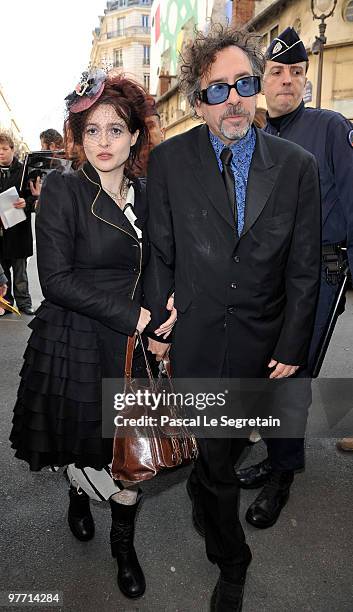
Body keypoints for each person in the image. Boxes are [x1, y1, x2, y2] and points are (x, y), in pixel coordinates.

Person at [144, 25, 321, 611]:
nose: (235, 99)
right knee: (219, 459)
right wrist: (156, 327)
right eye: (218, 90)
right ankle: (233, 560)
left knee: (225, 447)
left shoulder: (297, 166)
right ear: (198, 101)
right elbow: (160, 252)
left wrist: (294, 345)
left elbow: (303, 268)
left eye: (244, 83)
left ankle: (207, 490)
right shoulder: (169, 162)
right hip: (193, 337)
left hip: (262, 344)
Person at [9, 70, 170, 600]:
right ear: (77, 137)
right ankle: (79, 492)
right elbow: (55, 281)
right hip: (77, 338)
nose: (104, 142)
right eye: (93, 130)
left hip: (136, 345)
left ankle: (123, 548)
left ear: (135, 136)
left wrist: (167, 306)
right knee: (84, 443)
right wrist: (136, 318)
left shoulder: (149, 194)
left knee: (130, 455)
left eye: (116, 129)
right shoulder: (62, 190)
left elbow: (163, 261)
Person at [235, 27, 353, 528]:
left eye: (296, 73)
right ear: (263, 80)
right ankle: (275, 452)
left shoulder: (330, 128)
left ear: (305, 79)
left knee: (292, 375)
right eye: (277, 72)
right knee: (266, 369)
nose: (287, 81)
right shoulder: (258, 137)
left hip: (321, 274)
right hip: (267, 276)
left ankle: (283, 471)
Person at [0, 132, 35, 316]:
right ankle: (6, 304)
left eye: (5, 149)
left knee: (20, 272)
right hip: (1, 231)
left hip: (18, 229)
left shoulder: (24, 171)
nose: (1, 153)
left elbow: (34, 197)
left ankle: (24, 303)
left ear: (13, 150)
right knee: (3, 271)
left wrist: (26, 203)